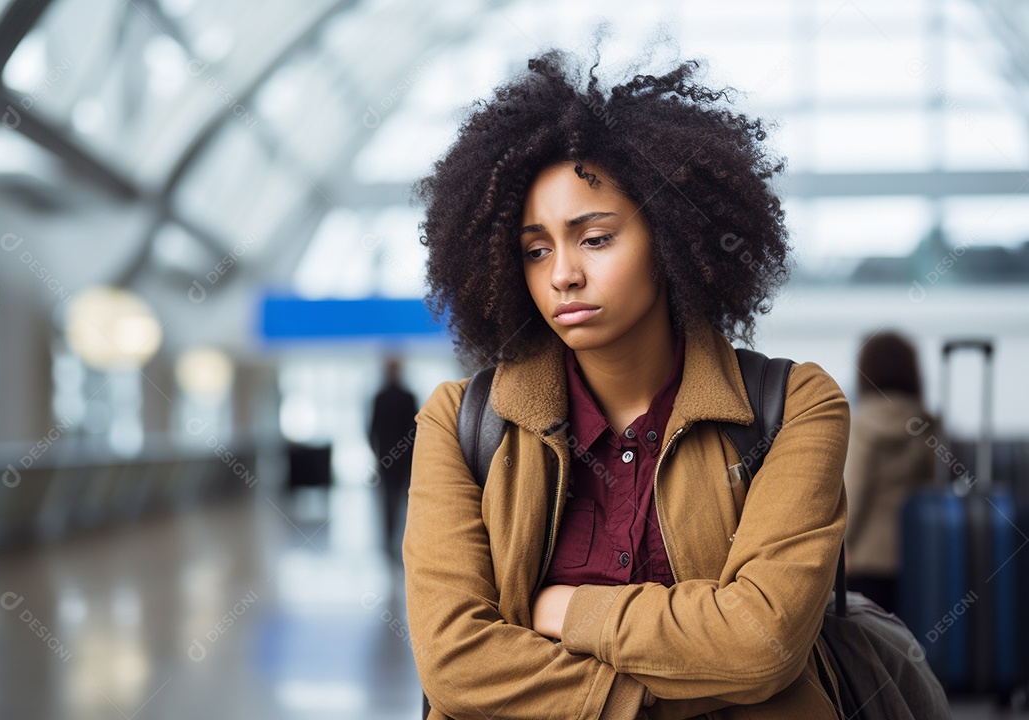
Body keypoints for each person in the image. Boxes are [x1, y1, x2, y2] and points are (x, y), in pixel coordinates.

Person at [404, 47, 849, 720]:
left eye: (596, 238)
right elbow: (455, 662)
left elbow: (762, 642)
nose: (562, 275)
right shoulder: (460, 421)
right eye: (536, 249)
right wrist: (641, 702)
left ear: (674, 237)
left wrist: (568, 610)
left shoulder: (793, 407)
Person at [843, 332, 935, 614]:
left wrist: (840, 548)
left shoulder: (862, 424)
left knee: (872, 645)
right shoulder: (927, 424)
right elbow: (932, 487)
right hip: (917, 552)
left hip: (865, 558)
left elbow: (853, 494)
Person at [368, 356, 418, 564]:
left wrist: (379, 454)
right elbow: (416, 431)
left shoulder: (382, 397)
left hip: (389, 460)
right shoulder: (405, 397)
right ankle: (401, 544)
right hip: (401, 460)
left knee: (393, 503)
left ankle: (392, 545)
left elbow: (371, 432)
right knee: (403, 502)